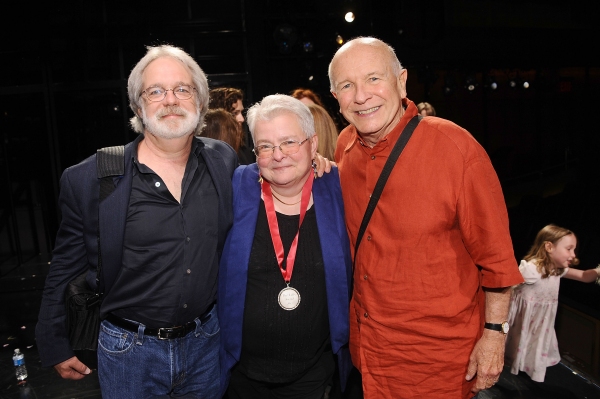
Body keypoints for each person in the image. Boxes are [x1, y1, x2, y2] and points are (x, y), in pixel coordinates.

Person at [35, 44, 238, 398]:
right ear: (138, 107)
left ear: (200, 101)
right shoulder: (92, 178)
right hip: (129, 353)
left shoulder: (222, 161)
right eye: (155, 91)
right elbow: (66, 266)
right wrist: (53, 341)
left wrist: (317, 165)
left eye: (182, 89)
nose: (170, 100)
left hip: (207, 342)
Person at [328, 37, 524, 398]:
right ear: (335, 96)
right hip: (367, 351)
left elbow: (496, 259)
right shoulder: (344, 146)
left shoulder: (456, 148)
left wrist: (495, 336)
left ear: (402, 81)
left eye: (374, 78)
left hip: (437, 362)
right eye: (346, 85)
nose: (361, 95)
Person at [218, 94, 352, 398]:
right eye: (265, 146)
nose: (278, 155)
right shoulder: (237, 186)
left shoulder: (339, 189)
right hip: (241, 375)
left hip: (313, 375)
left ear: (313, 144)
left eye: (290, 142)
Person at [505, 224, 600, 382]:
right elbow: (507, 287)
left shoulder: (557, 269)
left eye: (574, 249)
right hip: (522, 321)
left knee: (530, 348)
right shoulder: (532, 269)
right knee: (512, 348)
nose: (573, 255)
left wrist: (598, 271)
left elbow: (584, 276)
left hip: (539, 322)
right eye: (568, 249)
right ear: (549, 247)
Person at [209, 87, 254, 165]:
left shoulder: (244, 151)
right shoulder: (206, 154)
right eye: (235, 113)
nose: (242, 119)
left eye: (241, 112)